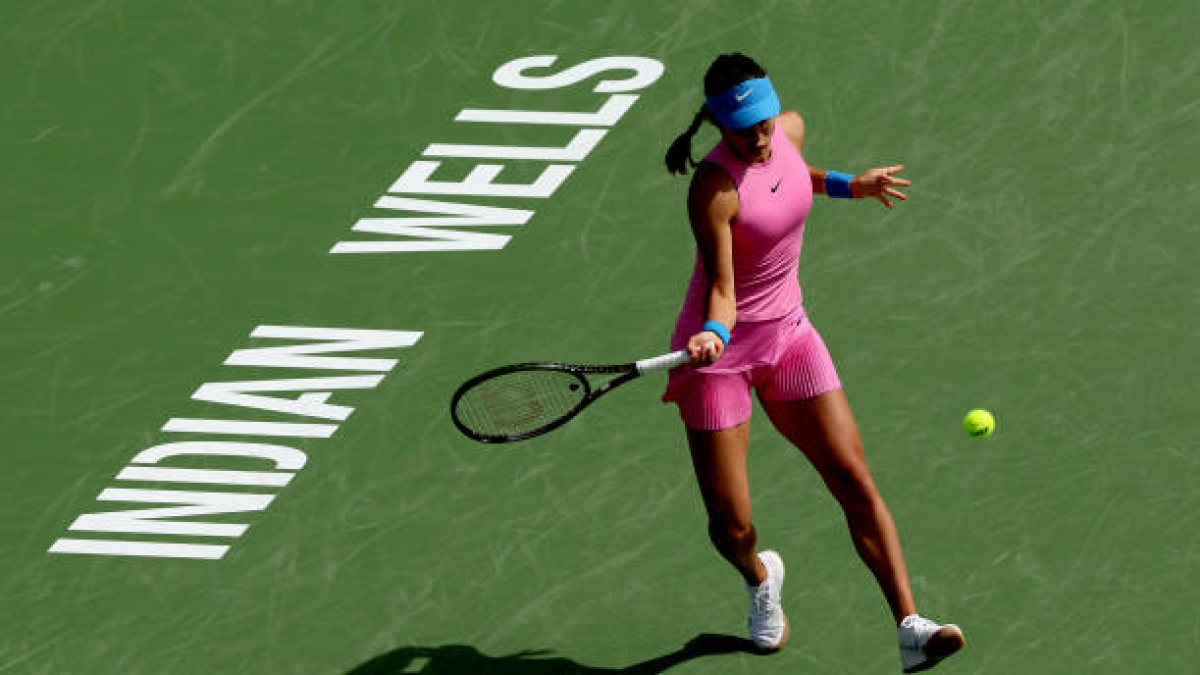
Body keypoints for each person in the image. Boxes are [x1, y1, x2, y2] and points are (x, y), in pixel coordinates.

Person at [661, 53, 965, 673]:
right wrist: (714, 332)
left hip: (792, 338)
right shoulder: (712, 189)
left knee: (854, 478)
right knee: (733, 529)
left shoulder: (788, 132)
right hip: (719, 356)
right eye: (745, 127)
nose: (761, 134)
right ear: (720, 124)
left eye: (765, 120)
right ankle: (758, 577)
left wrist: (850, 184)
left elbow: (795, 177)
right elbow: (722, 285)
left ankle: (911, 628)